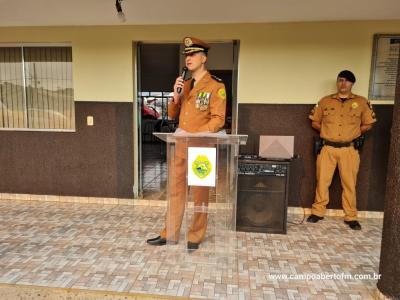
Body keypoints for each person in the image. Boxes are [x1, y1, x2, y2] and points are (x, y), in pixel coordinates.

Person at [146, 37, 227, 250]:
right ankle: (169, 233)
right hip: (180, 146)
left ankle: (195, 235)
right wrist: (176, 95)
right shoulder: (186, 84)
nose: (188, 58)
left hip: (202, 148)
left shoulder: (216, 86)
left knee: (200, 194)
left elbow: (218, 119)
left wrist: (197, 133)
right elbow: (172, 114)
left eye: (192, 54)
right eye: (186, 55)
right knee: (175, 192)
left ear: (204, 58)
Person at [307, 70, 376, 230]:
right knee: (322, 182)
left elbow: (369, 123)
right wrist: (327, 131)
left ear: (352, 84)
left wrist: (355, 133)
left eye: (346, 81)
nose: (342, 84)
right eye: (340, 80)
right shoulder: (325, 101)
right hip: (327, 148)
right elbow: (315, 122)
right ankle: (317, 212)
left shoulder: (362, 102)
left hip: (349, 150)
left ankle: (350, 216)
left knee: (349, 184)